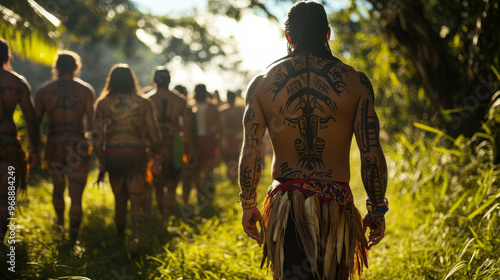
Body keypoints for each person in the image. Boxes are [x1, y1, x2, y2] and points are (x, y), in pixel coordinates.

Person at [238, 1, 388, 279]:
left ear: (289, 37)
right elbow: (371, 153)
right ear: (327, 34)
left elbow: (251, 150)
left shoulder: (262, 83)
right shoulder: (356, 82)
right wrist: (377, 208)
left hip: (286, 204)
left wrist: (248, 204)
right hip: (336, 205)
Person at [93, 64, 161, 245]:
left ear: (111, 80)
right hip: (136, 154)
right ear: (132, 79)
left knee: (120, 199)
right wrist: (157, 156)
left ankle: (120, 239)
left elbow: (96, 136)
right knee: (137, 198)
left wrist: (102, 162)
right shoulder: (143, 102)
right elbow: (154, 134)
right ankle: (137, 236)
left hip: (113, 154)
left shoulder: (103, 103)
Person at [35, 50, 95, 243]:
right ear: (76, 67)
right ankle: (73, 240)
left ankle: (60, 227)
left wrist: (34, 149)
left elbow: (35, 122)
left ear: (56, 67)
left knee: (58, 188)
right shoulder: (86, 90)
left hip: (54, 145)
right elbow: (92, 124)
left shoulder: (44, 91)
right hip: (77, 144)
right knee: (76, 196)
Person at [0, 38, 40, 243]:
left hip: (10, 147)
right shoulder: (18, 83)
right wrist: (34, 149)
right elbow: (30, 117)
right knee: (6, 198)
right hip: (9, 146)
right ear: (7, 57)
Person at [146, 67, 194, 227]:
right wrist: (191, 150)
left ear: (154, 80)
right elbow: (188, 129)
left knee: (158, 183)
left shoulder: (148, 100)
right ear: (169, 81)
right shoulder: (180, 100)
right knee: (172, 184)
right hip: (175, 144)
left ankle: (161, 217)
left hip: (155, 146)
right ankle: (166, 219)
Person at [192, 84, 221, 204]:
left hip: (195, 141)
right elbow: (217, 127)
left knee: (197, 169)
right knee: (209, 168)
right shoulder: (212, 108)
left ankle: (200, 194)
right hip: (208, 140)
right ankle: (208, 193)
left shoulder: (191, 108)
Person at [175, 85, 198, 204]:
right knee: (186, 176)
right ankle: (185, 201)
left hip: (174, 144)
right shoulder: (188, 110)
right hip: (185, 145)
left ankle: (173, 203)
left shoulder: (169, 110)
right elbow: (191, 131)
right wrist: (193, 150)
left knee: (173, 176)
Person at [218, 90, 244, 184]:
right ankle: (232, 177)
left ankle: (232, 177)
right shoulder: (239, 110)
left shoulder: (222, 110)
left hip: (229, 138)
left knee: (231, 158)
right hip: (232, 138)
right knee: (233, 158)